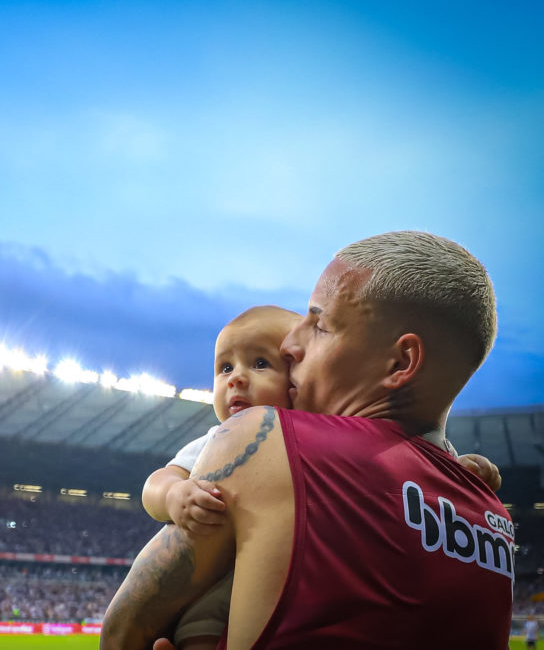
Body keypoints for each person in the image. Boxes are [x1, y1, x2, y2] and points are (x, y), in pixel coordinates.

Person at [101, 231, 513, 649]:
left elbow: (123, 630)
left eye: (319, 325)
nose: (291, 345)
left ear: (401, 362)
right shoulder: (492, 515)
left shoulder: (265, 438)